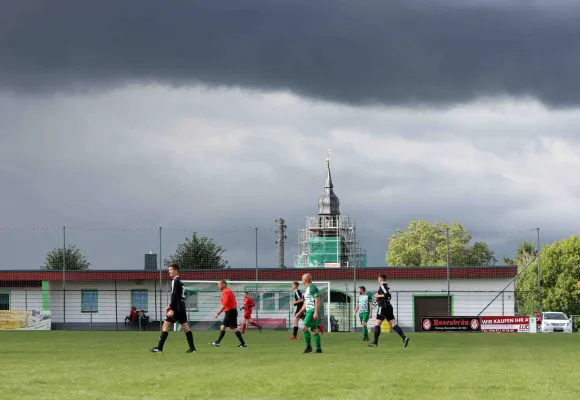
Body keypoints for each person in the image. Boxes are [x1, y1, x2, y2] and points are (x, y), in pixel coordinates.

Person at [148, 263, 196, 353]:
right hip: (182, 307)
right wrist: (170, 306)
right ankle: (192, 348)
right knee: (185, 327)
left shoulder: (175, 281)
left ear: (176, 270)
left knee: (165, 326)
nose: (169, 271)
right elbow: (178, 296)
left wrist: (171, 309)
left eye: (171, 270)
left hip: (177, 309)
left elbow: (174, 296)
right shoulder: (180, 281)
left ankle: (159, 348)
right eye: (169, 270)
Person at [368, 274, 409, 348]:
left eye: (378, 278)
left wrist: (377, 296)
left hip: (383, 307)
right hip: (389, 306)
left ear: (380, 279)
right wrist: (379, 297)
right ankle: (404, 337)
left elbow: (387, 295)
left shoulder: (382, 286)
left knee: (377, 324)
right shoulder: (387, 286)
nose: (378, 279)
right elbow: (388, 296)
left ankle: (375, 342)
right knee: (393, 324)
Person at [209, 279, 247, 348]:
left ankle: (243, 343)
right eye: (218, 284)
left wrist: (218, 313)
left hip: (230, 312)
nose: (218, 286)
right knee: (223, 327)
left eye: (219, 284)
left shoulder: (226, 292)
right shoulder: (227, 291)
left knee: (233, 328)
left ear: (224, 284)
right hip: (230, 312)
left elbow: (225, 305)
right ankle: (217, 342)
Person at [295, 273, 322, 353]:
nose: (301, 280)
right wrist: (299, 312)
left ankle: (309, 347)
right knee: (313, 330)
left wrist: (316, 312)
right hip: (309, 310)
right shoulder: (307, 289)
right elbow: (306, 303)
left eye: (302, 278)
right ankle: (318, 349)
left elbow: (317, 300)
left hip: (312, 310)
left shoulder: (312, 288)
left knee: (304, 327)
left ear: (305, 280)